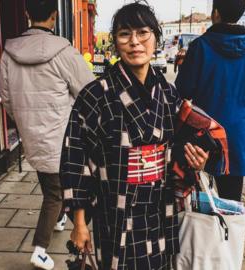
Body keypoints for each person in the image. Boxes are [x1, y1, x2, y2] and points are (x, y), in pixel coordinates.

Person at [60, 2, 209, 269]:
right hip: (116, 210)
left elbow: (180, 150)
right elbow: (76, 158)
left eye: (143, 33)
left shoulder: (168, 94)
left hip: (159, 210)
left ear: (156, 38)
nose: (135, 42)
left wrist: (194, 161)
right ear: (115, 43)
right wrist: (80, 223)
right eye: (124, 34)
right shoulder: (95, 95)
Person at [0, 0, 95, 269]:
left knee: (50, 180)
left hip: (31, 132)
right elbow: (89, 93)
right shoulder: (64, 51)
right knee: (54, 193)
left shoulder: (8, 53)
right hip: (63, 134)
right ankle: (39, 249)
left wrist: (25, 119)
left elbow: (6, 98)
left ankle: (62, 217)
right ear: (54, 16)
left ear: (28, 14)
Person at [175, 0, 245, 202]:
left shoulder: (200, 47)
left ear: (215, 13)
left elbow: (183, 91)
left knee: (200, 204)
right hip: (235, 141)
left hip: (203, 138)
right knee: (231, 206)